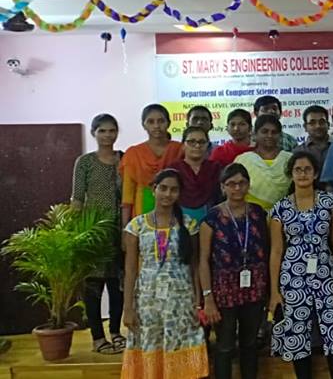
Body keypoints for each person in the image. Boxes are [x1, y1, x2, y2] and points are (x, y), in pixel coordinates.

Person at [268, 151, 333, 379]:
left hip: (325, 272)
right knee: (297, 332)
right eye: (298, 170)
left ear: (315, 174)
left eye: (307, 169)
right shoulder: (280, 208)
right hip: (293, 276)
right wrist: (274, 291)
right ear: (291, 174)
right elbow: (276, 251)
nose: (302, 174)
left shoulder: (329, 202)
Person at [120, 169, 208, 379]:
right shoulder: (136, 226)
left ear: (179, 193)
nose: (168, 194)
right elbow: (130, 270)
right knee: (151, 345)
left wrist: (198, 302)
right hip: (147, 301)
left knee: (181, 344)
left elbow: (194, 265)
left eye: (174, 190)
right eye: (163, 188)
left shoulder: (189, 225)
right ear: (154, 189)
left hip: (181, 300)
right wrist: (128, 307)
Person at [199, 164, 270, 379]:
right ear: (223, 187)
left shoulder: (258, 213)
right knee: (225, 345)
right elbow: (203, 260)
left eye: (241, 183)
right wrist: (208, 298)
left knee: (250, 344)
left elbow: (268, 250)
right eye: (231, 184)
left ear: (248, 185)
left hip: (254, 288)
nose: (237, 188)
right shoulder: (212, 218)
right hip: (223, 291)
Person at [72, 113, 125, 355]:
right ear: (94, 132)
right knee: (93, 287)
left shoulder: (124, 159)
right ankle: (97, 337)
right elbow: (77, 199)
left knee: (118, 286)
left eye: (111, 130)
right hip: (94, 232)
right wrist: (77, 235)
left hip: (120, 231)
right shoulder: (84, 162)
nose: (107, 135)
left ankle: (116, 332)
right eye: (102, 130)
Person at [121, 104, 183, 227]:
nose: (156, 126)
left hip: (174, 207)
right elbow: (127, 195)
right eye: (151, 122)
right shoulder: (133, 153)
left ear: (169, 123)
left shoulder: (179, 150)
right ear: (143, 125)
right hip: (141, 208)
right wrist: (125, 227)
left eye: (161, 121)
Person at [234, 114, 293, 211]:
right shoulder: (243, 160)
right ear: (255, 134)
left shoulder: (290, 159)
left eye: (274, 132)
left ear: (280, 135)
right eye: (264, 131)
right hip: (250, 213)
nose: (269, 135)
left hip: (283, 213)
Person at [171, 127, 223, 221]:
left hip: (212, 220)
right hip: (178, 221)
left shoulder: (216, 169)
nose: (197, 145)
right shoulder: (174, 169)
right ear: (183, 145)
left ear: (208, 145)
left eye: (202, 142)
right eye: (192, 142)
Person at [294, 105, 332, 178]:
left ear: (328, 124)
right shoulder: (298, 151)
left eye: (322, 122)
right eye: (312, 123)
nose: (318, 126)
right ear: (305, 127)